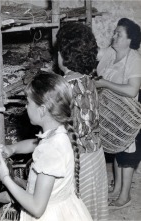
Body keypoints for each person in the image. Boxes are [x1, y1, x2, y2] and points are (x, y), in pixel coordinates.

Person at [0, 73, 92, 221]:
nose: (26, 107)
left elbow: (37, 208)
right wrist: (12, 148)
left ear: (41, 110)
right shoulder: (59, 131)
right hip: (63, 207)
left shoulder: (51, 150)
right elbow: (35, 143)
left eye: (28, 102)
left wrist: (5, 178)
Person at [56, 23, 109, 220]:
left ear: (63, 55)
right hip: (96, 154)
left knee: (76, 210)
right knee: (92, 206)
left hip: (77, 159)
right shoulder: (89, 80)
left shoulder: (63, 86)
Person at [96, 18, 141, 209]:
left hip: (128, 113)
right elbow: (94, 54)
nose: (113, 36)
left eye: (118, 34)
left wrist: (105, 84)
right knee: (116, 149)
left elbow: (132, 90)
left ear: (129, 40)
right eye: (114, 32)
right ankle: (116, 190)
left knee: (127, 154)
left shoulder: (134, 59)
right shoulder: (110, 53)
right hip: (111, 111)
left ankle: (125, 195)